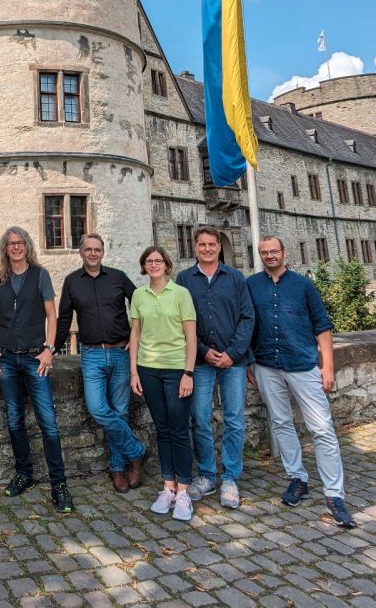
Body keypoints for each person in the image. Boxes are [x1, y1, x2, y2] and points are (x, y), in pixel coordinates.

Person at [247, 235, 356, 529]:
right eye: (264, 252)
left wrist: (328, 367)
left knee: (322, 428)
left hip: (303, 365)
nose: (270, 256)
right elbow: (247, 325)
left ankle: (335, 494)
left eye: (274, 251)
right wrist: (249, 361)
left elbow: (322, 326)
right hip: (267, 364)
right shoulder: (252, 285)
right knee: (281, 424)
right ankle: (297, 478)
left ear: (284, 253)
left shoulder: (303, 285)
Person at [0, 226, 73, 513]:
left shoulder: (40, 274)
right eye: (11, 243)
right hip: (8, 358)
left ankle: (59, 484)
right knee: (14, 420)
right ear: (5, 248)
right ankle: (24, 473)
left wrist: (50, 349)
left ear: (27, 246)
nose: (16, 247)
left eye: (20, 242)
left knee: (48, 422)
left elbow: (52, 314)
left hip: (36, 358)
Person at [55, 233, 149, 493]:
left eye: (97, 249)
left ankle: (118, 468)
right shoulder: (72, 281)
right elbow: (64, 319)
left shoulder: (118, 277)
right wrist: (50, 350)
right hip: (92, 355)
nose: (93, 253)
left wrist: (136, 337)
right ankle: (138, 451)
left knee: (120, 412)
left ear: (103, 252)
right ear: (81, 253)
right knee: (98, 409)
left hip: (120, 353)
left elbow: (141, 305)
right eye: (88, 249)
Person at [175, 227, 255, 510]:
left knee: (234, 418)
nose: (207, 248)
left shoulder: (235, 278)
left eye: (212, 244)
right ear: (195, 247)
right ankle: (207, 474)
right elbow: (180, 320)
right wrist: (204, 351)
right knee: (200, 418)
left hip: (233, 361)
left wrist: (232, 353)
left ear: (219, 247)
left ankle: (231, 477)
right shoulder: (184, 279)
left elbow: (248, 318)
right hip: (200, 361)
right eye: (202, 244)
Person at [129, 246, 198, 520]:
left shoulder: (180, 294)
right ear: (144, 266)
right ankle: (168, 487)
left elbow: (191, 336)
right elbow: (135, 333)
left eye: (158, 260)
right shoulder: (138, 295)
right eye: (149, 261)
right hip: (148, 369)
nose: (154, 264)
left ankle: (183, 491)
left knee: (179, 429)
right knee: (162, 429)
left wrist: (188, 373)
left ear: (167, 265)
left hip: (175, 369)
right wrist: (134, 372)